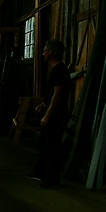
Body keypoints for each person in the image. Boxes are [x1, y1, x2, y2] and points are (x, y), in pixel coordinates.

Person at [28, 39, 71, 188]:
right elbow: (52, 95)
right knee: (44, 144)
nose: (43, 52)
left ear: (51, 52)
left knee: (52, 147)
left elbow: (58, 95)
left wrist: (47, 115)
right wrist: (43, 105)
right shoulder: (55, 70)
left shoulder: (60, 70)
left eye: (45, 49)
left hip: (56, 115)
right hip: (51, 112)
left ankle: (52, 179)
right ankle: (39, 172)